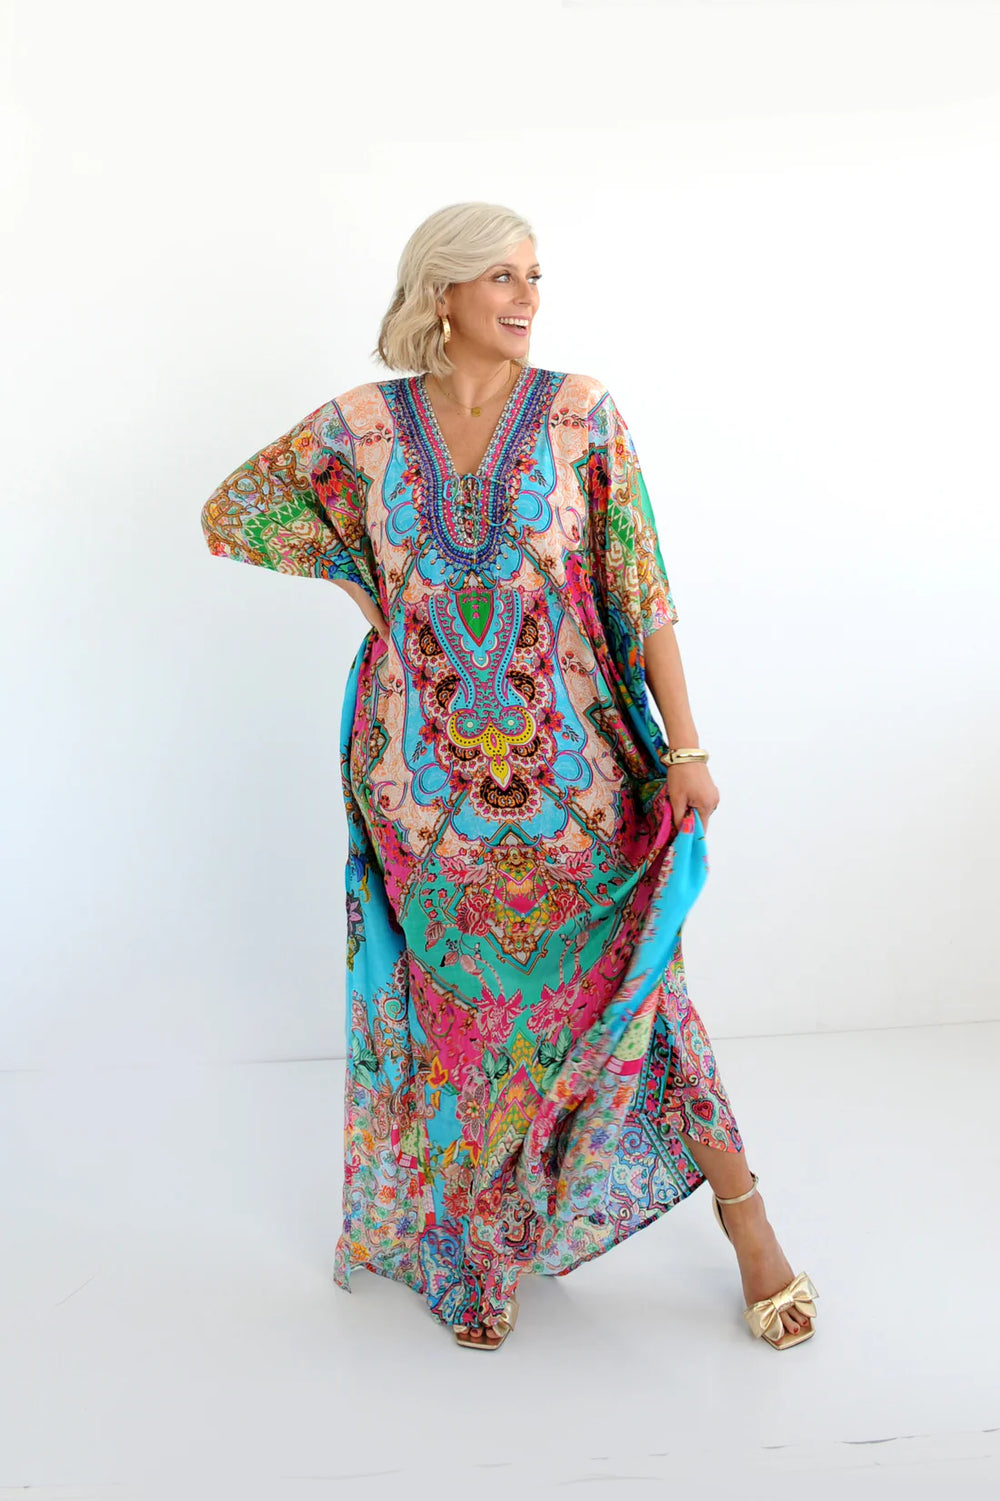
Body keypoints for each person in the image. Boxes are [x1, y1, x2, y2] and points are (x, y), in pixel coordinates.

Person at [200, 201, 818, 1354]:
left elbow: (641, 589)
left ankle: (749, 1225)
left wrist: (686, 749)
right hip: (420, 788)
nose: (527, 296)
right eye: (501, 275)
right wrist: (388, 603)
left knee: (644, 993)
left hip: (581, 776)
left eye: (535, 275)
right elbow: (236, 511)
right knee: (464, 1026)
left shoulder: (581, 415)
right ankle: (482, 1252)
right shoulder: (365, 427)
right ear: (440, 291)